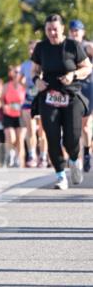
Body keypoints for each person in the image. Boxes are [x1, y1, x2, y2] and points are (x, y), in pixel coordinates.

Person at [31, 14, 91, 190]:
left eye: (55, 29)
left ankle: (74, 160)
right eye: (48, 30)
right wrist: (37, 81)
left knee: (72, 138)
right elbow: (34, 70)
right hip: (49, 96)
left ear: (63, 29)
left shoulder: (73, 46)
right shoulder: (41, 47)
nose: (52, 33)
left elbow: (87, 67)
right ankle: (60, 176)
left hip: (71, 96)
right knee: (52, 136)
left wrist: (73, 74)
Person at [68, 19, 93, 173]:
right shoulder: (65, 47)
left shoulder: (87, 46)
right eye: (72, 31)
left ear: (83, 32)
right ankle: (74, 158)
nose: (74, 33)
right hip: (71, 89)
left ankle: (87, 152)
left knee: (85, 126)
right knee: (72, 126)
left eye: (77, 30)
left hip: (87, 88)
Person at [1, 66, 26, 167]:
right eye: (15, 72)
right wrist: (4, 106)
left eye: (18, 72)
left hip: (21, 116)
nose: (16, 74)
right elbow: (1, 99)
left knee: (20, 139)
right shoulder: (6, 86)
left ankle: (18, 159)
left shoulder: (24, 86)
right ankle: (10, 154)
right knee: (11, 137)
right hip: (8, 115)